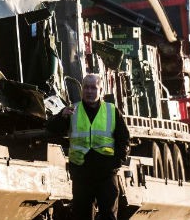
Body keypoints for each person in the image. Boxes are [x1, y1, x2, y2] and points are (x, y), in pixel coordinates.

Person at [48, 74, 131, 220]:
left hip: (106, 174)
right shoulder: (72, 110)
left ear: (101, 90)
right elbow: (52, 129)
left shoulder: (112, 111)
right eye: (86, 87)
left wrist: (116, 162)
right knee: (82, 215)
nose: (89, 91)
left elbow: (124, 139)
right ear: (82, 90)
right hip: (82, 174)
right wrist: (61, 116)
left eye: (93, 88)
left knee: (108, 215)